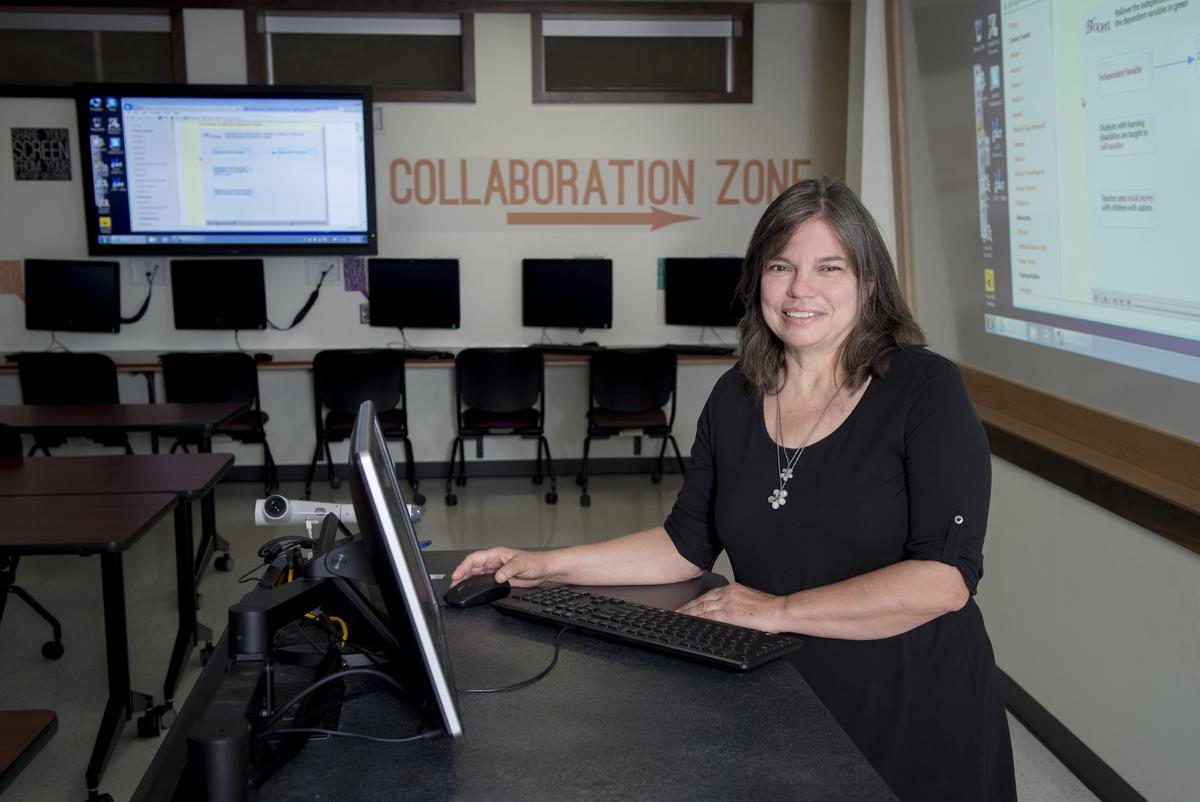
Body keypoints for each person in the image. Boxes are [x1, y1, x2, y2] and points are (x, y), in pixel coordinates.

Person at [451, 176, 1017, 801]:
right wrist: (542, 564)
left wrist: (775, 612)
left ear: (869, 282)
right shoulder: (735, 395)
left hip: (911, 701)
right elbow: (684, 544)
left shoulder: (925, 390)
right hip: (782, 688)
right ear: (758, 281)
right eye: (782, 266)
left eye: (830, 266)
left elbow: (943, 580)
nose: (801, 289)